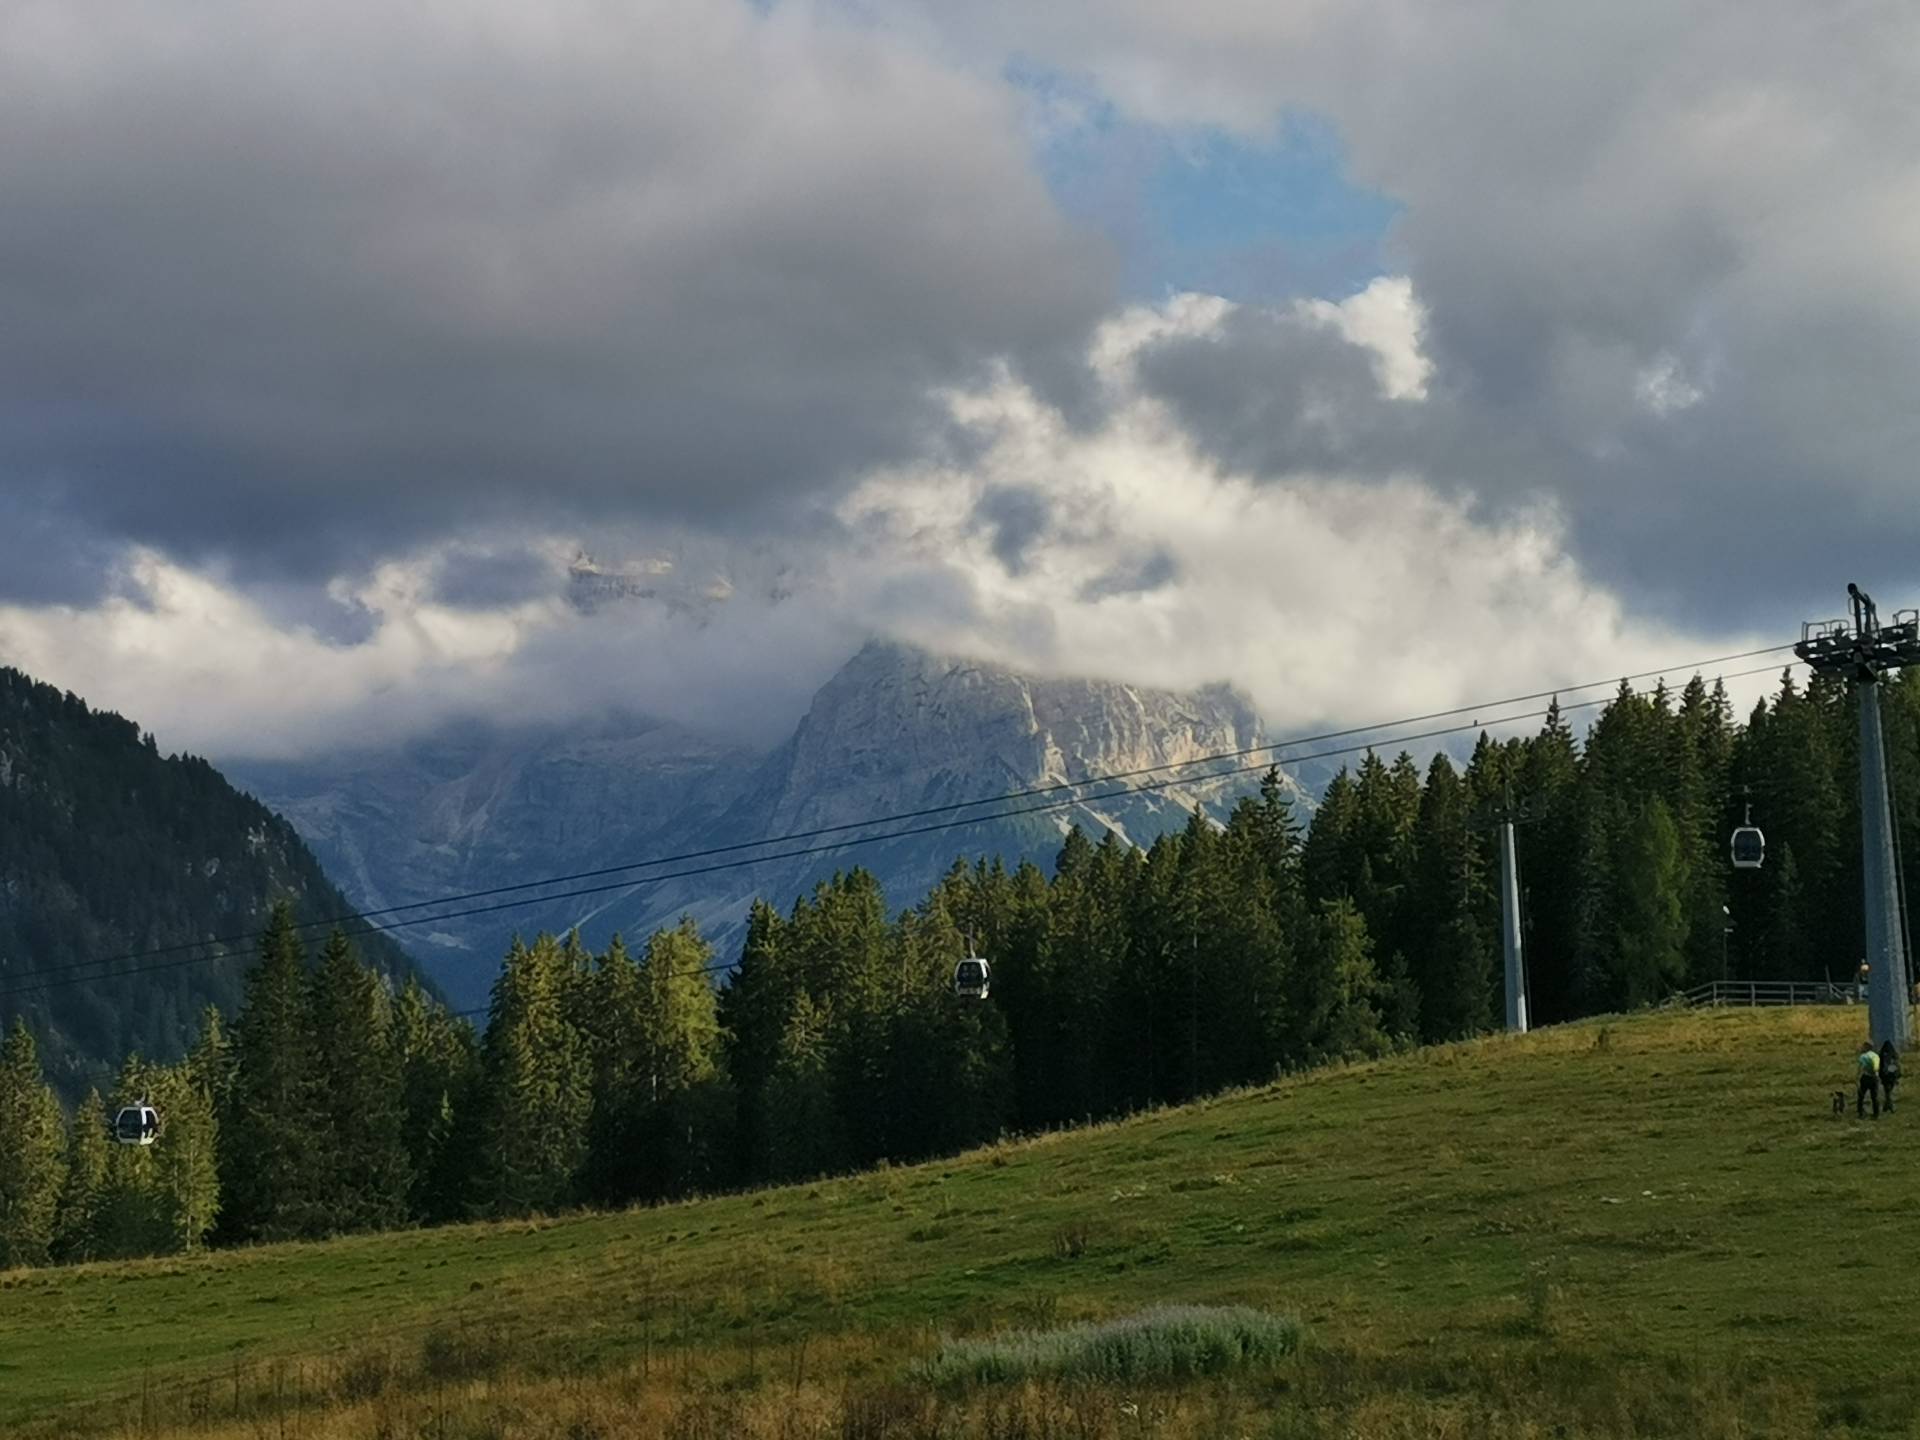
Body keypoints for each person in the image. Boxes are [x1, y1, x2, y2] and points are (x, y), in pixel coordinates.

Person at [1857, 1040, 1882, 1119]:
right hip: (1874, 1078)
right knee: (1874, 1097)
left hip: (1866, 1077)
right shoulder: (1876, 1056)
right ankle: (1876, 1114)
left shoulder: (1863, 1056)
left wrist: (1857, 1076)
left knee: (1861, 1096)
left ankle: (1860, 1113)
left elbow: (1861, 1067)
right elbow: (1877, 1068)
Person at [1881, 1041, 1902, 1113]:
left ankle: (1887, 1106)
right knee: (1888, 1091)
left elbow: (1880, 1067)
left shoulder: (1881, 1055)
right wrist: (1898, 1075)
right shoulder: (1894, 1055)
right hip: (1892, 1076)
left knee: (1887, 1091)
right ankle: (1888, 1106)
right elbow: (1898, 1066)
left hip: (1885, 1076)